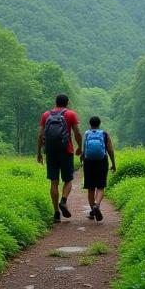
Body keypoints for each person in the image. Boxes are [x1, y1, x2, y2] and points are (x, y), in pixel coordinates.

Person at [37, 93, 82, 222]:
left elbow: (40, 134)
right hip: (66, 150)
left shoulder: (46, 115)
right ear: (67, 103)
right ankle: (63, 200)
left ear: (55, 102)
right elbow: (77, 132)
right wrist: (80, 147)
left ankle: (56, 213)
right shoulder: (70, 114)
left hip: (50, 151)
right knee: (68, 180)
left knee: (54, 181)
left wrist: (39, 153)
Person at [81, 116, 116, 221]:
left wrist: (83, 159)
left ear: (90, 124)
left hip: (89, 162)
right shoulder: (104, 134)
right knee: (100, 186)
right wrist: (113, 163)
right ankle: (97, 205)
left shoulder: (87, 133)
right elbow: (110, 150)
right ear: (99, 124)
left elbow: (84, 150)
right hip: (102, 161)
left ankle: (92, 212)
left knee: (90, 187)